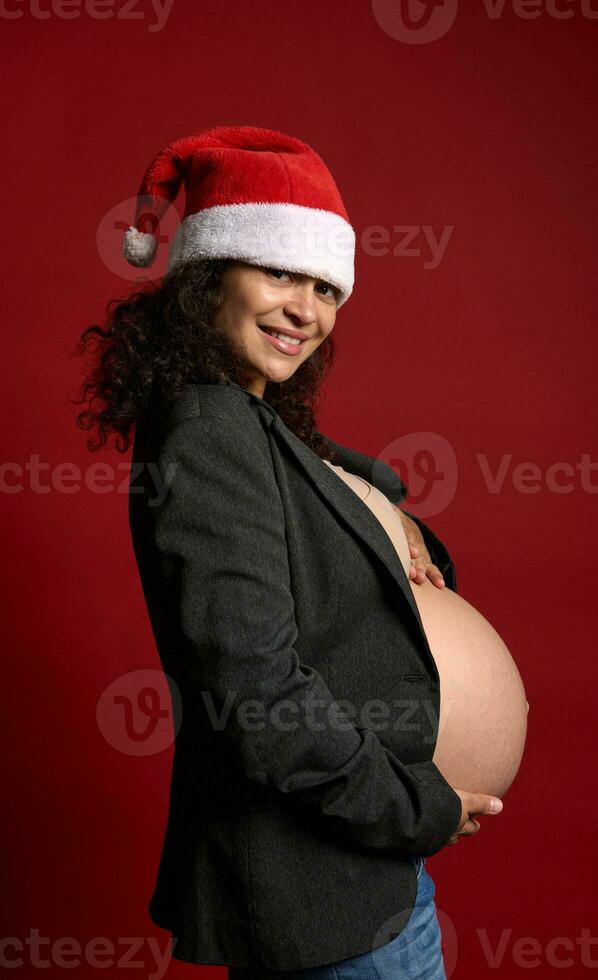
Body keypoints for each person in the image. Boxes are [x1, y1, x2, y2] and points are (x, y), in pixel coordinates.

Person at [73, 125, 503, 978]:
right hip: (326, 900)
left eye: (324, 286)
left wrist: (390, 504)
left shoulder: (239, 416)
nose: (306, 310)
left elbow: (314, 461)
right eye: (278, 273)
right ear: (209, 277)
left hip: (352, 886)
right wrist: (412, 807)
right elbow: (255, 691)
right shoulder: (208, 429)